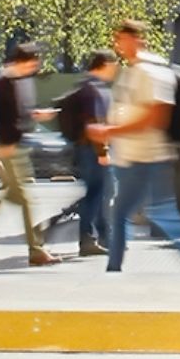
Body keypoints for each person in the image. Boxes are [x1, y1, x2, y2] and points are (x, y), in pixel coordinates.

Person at [92, 20, 180, 274]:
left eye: (121, 38)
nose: (117, 45)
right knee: (158, 213)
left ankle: (114, 270)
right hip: (134, 157)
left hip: (146, 157)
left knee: (133, 214)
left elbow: (156, 116)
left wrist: (111, 131)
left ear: (136, 39)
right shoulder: (133, 70)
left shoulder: (151, 71)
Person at [0, 42, 61, 267]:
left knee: (13, 195)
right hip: (9, 147)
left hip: (17, 145)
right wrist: (3, 143)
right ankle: (36, 249)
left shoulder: (21, 82)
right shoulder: (2, 83)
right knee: (24, 198)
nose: (36, 67)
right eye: (33, 62)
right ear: (23, 61)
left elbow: (19, 114)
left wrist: (35, 115)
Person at [72, 49, 118, 257]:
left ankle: (103, 237)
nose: (115, 71)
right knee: (96, 194)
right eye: (114, 66)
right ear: (105, 64)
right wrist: (103, 151)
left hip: (87, 148)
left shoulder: (87, 86)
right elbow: (95, 122)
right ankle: (88, 239)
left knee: (100, 193)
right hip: (94, 150)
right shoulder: (94, 89)